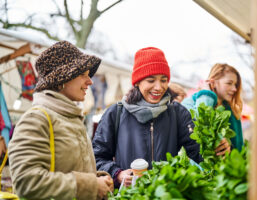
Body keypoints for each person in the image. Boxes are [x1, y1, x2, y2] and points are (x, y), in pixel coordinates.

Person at [8, 41, 113, 200]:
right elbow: (26, 181)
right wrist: (91, 185)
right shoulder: (36, 119)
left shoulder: (71, 117)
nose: (90, 81)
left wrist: (99, 179)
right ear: (61, 78)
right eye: (82, 74)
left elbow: (67, 168)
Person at [92, 47, 202, 187]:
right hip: (129, 196)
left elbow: (198, 153)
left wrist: (216, 147)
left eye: (164, 80)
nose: (159, 87)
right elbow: (96, 158)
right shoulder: (115, 113)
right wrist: (117, 174)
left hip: (165, 194)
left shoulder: (178, 113)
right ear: (137, 82)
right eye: (151, 80)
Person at [182, 63, 244, 151]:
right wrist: (206, 95)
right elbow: (199, 125)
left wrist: (228, 148)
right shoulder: (189, 103)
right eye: (229, 83)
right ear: (213, 83)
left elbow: (239, 151)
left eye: (235, 84)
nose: (234, 89)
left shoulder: (232, 112)